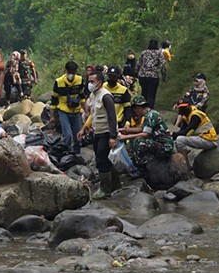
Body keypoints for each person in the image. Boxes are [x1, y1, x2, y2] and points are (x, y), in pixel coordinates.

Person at [77, 71, 118, 199]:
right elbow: (92, 115)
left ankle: (105, 189)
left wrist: (113, 136)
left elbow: (113, 117)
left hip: (106, 132)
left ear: (99, 82)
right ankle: (116, 184)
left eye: (92, 82)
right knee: (102, 158)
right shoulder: (93, 95)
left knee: (101, 159)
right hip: (97, 131)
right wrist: (84, 128)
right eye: (88, 81)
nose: (89, 84)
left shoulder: (106, 96)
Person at [118, 96, 174, 173]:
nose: (135, 112)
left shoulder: (151, 115)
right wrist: (125, 130)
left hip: (164, 146)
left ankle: (142, 169)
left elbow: (146, 134)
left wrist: (125, 137)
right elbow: (141, 129)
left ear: (138, 107)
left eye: (135, 109)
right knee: (132, 140)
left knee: (139, 141)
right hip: (157, 143)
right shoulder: (148, 115)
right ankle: (133, 162)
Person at [51, 61, 86, 154]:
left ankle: (76, 154)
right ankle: (66, 152)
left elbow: (82, 96)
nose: (71, 74)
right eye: (69, 72)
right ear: (66, 71)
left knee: (77, 135)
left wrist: (86, 111)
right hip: (63, 111)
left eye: (73, 72)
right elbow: (54, 99)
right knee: (67, 135)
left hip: (76, 111)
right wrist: (52, 116)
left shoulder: (79, 80)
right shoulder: (59, 82)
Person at [137, 40, 166, 108]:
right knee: (152, 94)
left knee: (144, 92)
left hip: (143, 76)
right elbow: (162, 65)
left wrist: (136, 73)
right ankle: (149, 109)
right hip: (154, 76)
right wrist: (163, 76)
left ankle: (142, 108)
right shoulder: (159, 53)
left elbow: (139, 64)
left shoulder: (144, 52)